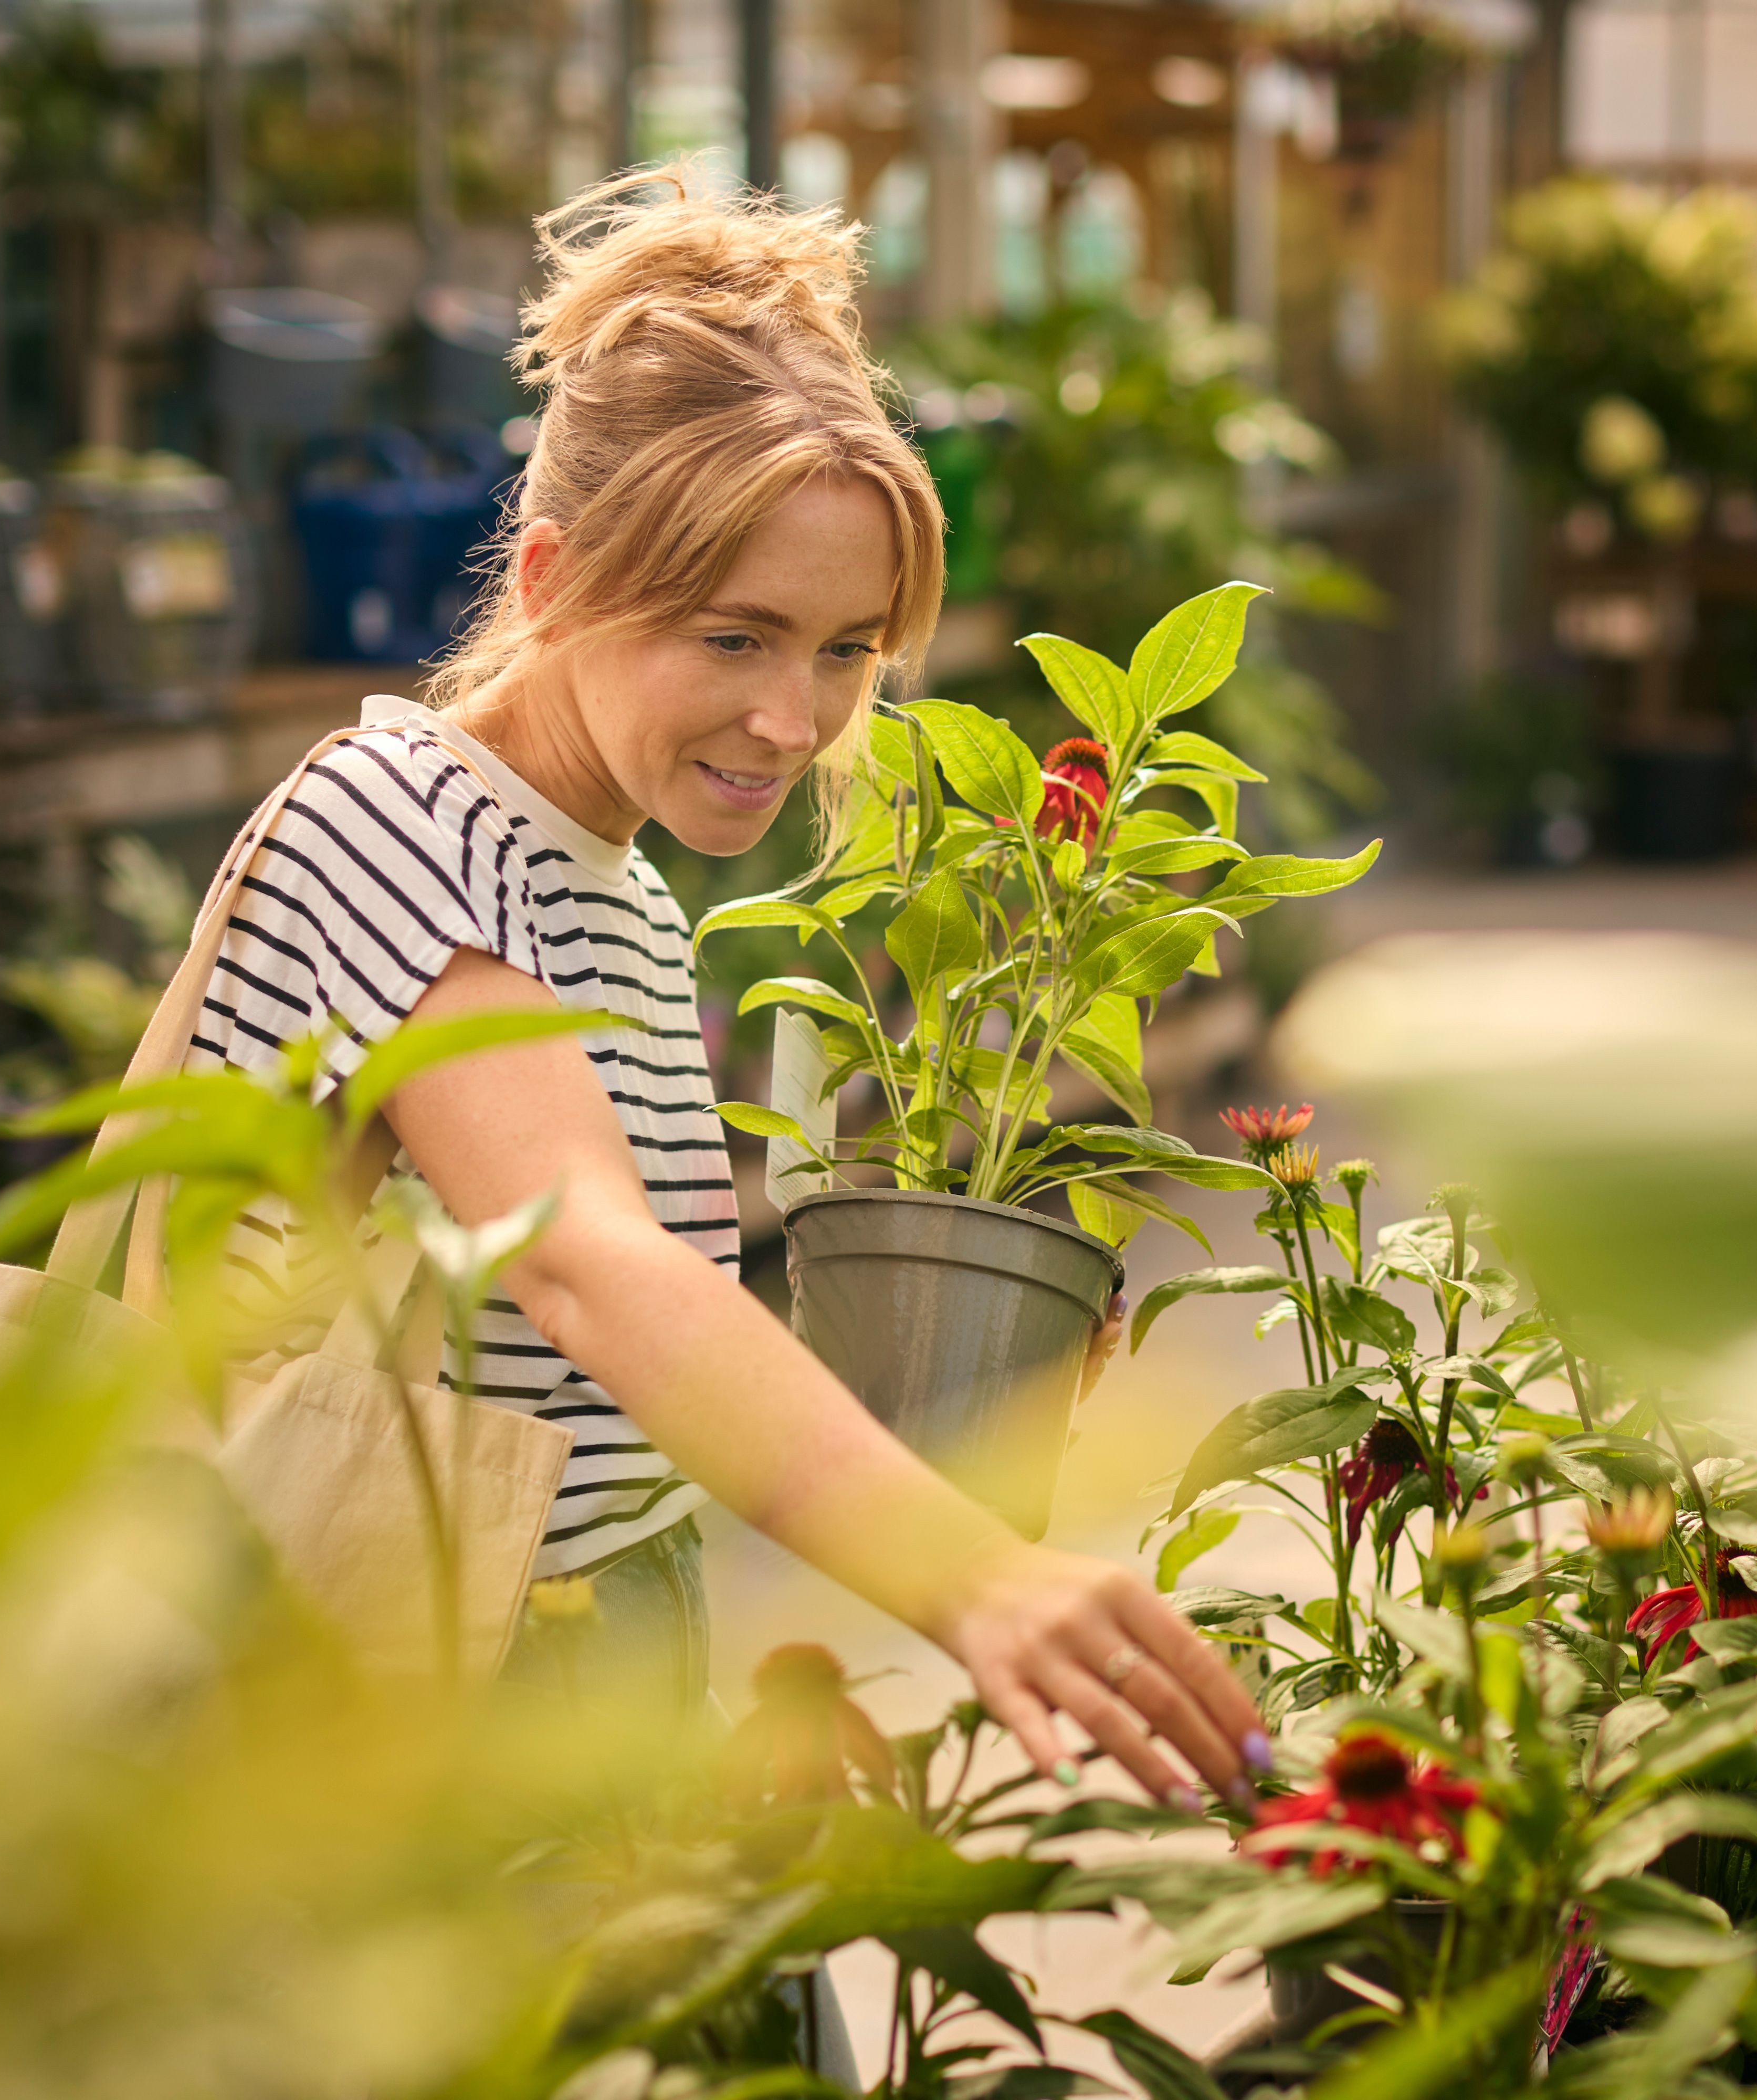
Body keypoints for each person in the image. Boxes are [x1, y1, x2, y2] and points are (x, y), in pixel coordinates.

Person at [188, 169, 1268, 1809]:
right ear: (549, 582)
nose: (796, 718)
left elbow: (587, 1405)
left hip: (581, 1656)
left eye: (846, 650)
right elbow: (588, 1275)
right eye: (734, 638)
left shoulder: (608, 894)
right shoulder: (396, 819)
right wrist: (964, 1568)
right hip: (385, 1695)